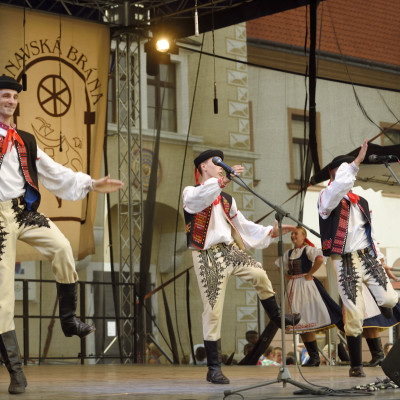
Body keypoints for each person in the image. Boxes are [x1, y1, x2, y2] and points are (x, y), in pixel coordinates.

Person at [0, 75, 124, 394]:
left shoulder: (24, 139)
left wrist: (91, 183)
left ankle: (69, 320)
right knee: (3, 296)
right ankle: (16, 371)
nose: (10, 101)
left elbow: (53, 170)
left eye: (14, 96)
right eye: (5, 95)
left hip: (22, 211)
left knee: (62, 247)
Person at [182, 149, 300, 384]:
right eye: (216, 163)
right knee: (213, 311)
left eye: (222, 163)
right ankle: (213, 368)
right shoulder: (191, 192)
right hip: (207, 255)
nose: (220, 166)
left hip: (229, 250)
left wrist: (271, 231)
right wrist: (223, 181)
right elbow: (199, 199)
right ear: (203, 167)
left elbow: (243, 226)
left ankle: (277, 316)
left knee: (259, 273)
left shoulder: (226, 199)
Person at [317, 139, 399, 377]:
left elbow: (369, 234)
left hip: (367, 256)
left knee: (390, 298)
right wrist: (355, 163)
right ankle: (356, 365)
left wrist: (380, 259)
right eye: (344, 169)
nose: (350, 172)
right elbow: (337, 189)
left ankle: (385, 305)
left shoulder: (361, 201)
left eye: (350, 168)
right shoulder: (326, 197)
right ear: (335, 173)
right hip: (344, 260)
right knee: (353, 311)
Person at [275, 226, 343, 367]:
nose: (293, 236)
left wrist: (310, 273)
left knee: (306, 320)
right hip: (293, 286)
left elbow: (319, 259)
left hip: (306, 286)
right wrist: (287, 275)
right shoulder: (289, 253)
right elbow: (279, 265)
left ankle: (315, 358)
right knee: (300, 325)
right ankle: (314, 357)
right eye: (292, 234)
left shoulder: (307, 250)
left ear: (303, 236)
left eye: (296, 233)